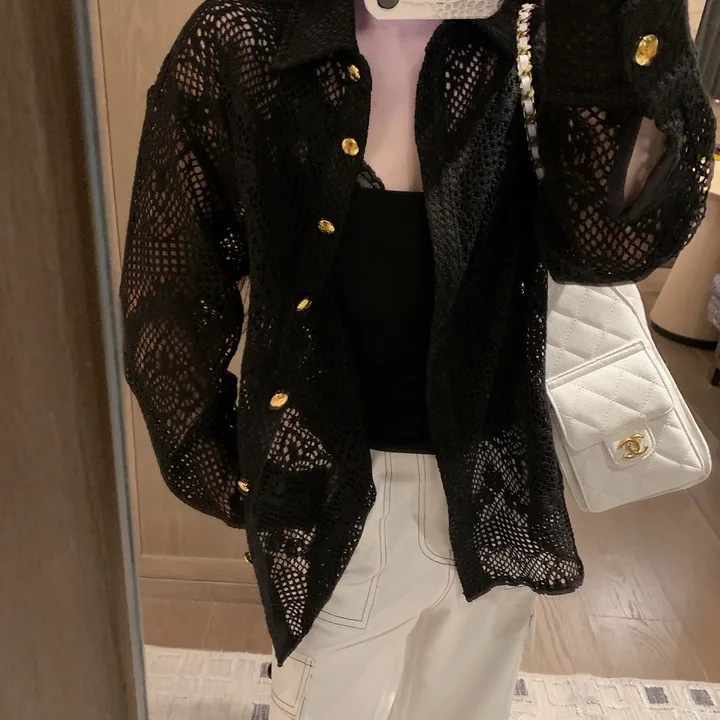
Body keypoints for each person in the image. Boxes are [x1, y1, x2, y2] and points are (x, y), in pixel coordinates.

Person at [120, 0, 716, 717]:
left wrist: (630, 22)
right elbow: (171, 289)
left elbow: (609, 248)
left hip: (496, 482)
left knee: (467, 704)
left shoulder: (543, 30)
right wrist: (237, 478)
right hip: (334, 481)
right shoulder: (245, 35)